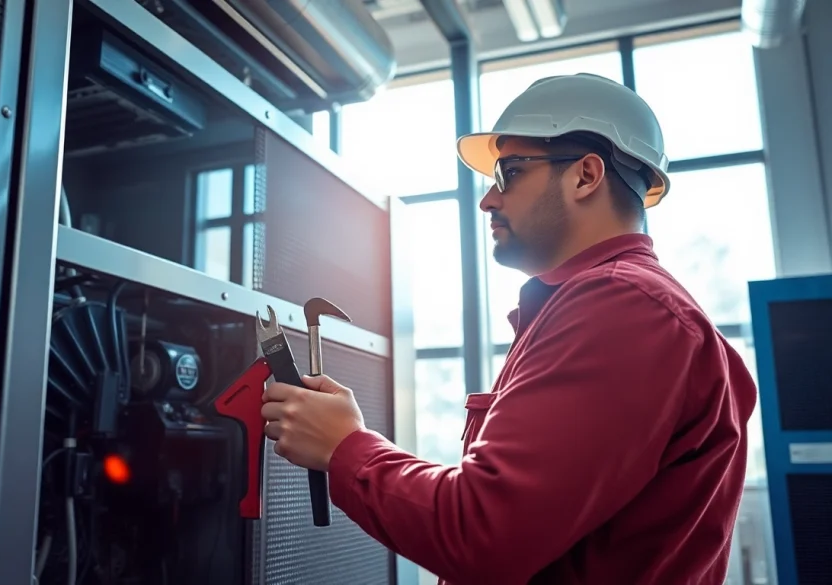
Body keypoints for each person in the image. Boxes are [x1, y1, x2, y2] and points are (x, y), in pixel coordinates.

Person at [260, 73, 758, 585]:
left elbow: (480, 532)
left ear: (586, 176)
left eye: (510, 173)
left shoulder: (625, 307)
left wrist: (347, 448)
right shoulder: (616, 308)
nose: (487, 201)